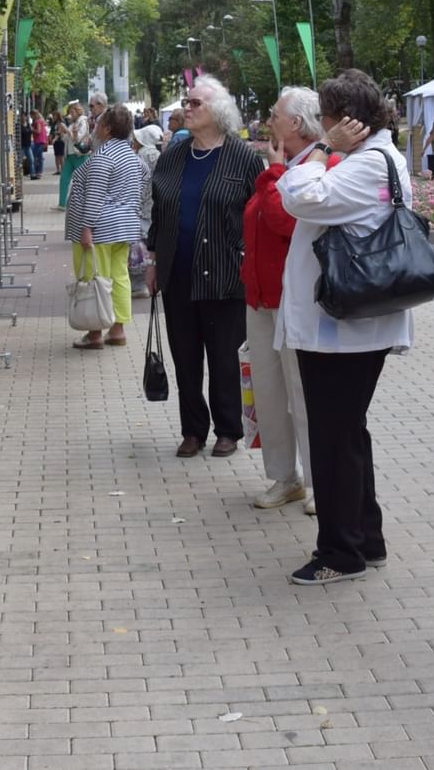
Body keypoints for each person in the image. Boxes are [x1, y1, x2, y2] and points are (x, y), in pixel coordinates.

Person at [274, 68, 415, 584]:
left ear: (343, 121)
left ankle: (340, 553)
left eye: (327, 120)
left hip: (343, 330)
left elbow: (299, 196)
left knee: (334, 439)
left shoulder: (368, 164)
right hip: (349, 326)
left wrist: (318, 149)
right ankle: (365, 537)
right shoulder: (377, 158)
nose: (322, 128)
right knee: (347, 433)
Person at [144, 75, 264, 457]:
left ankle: (228, 429)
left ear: (219, 112)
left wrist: (250, 257)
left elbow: (259, 211)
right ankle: (193, 430)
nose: (186, 108)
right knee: (186, 357)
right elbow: (159, 212)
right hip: (178, 273)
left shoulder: (243, 157)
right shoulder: (174, 155)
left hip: (225, 274)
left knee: (225, 357)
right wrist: (153, 260)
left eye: (195, 103)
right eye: (186, 102)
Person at [240, 87, 322, 514]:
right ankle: (284, 478)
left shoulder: (318, 165)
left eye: (275, 114)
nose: (268, 121)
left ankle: (318, 481)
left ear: (297, 123)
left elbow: (284, 220)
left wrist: (272, 173)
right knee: (268, 393)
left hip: (294, 301)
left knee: (302, 394)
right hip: (260, 298)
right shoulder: (285, 164)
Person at [67, 106, 149, 349]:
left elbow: (94, 196)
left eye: (99, 122)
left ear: (107, 129)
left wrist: (86, 228)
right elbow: (144, 183)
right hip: (124, 227)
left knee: (94, 277)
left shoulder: (103, 158)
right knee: (119, 277)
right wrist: (126, 206)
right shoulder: (134, 158)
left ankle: (94, 332)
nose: (95, 127)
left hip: (100, 228)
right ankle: (117, 330)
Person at [54, 102, 82, 207]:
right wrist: (62, 133)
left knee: (81, 180)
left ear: (78, 111)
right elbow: (67, 139)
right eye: (70, 112)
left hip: (79, 155)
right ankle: (62, 204)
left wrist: (67, 131)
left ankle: (81, 204)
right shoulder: (72, 123)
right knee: (64, 178)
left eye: (72, 112)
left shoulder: (82, 121)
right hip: (70, 155)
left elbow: (78, 138)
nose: (71, 114)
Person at [30, 112, 49, 179]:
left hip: (38, 141)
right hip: (41, 140)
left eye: (31, 115)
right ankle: (39, 172)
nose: (31, 117)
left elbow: (38, 131)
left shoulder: (37, 122)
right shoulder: (41, 121)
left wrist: (32, 129)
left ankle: (38, 172)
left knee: (37, 157)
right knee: (39, 157)